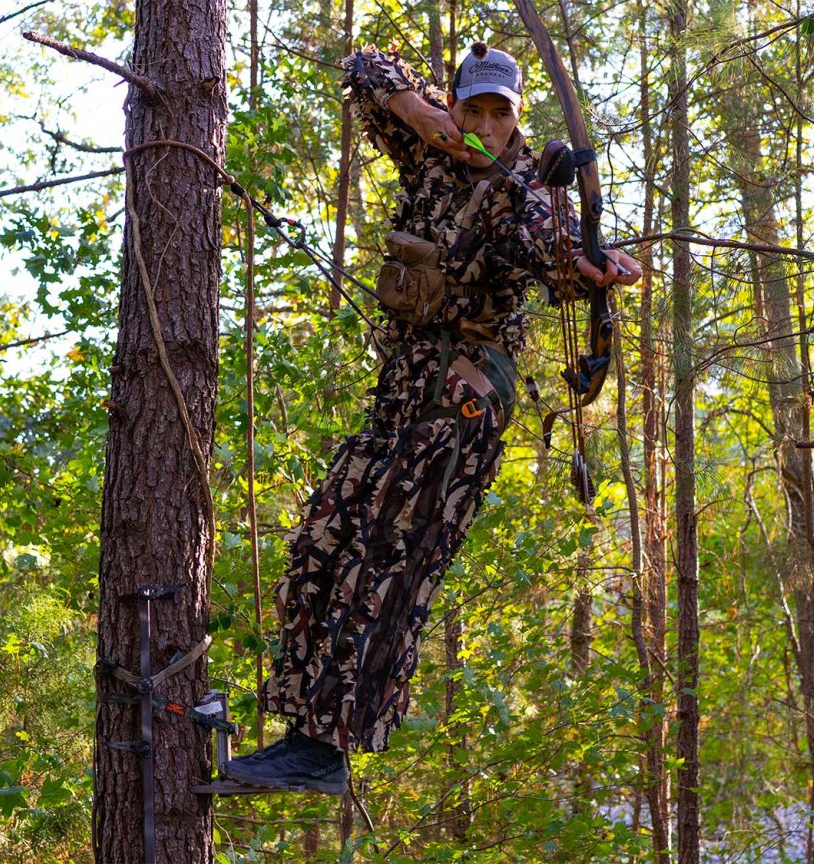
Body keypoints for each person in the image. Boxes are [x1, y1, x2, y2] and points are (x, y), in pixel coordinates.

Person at [222, 41, 642, 794]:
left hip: (461, 403)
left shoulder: (526, 199)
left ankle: (327, 749)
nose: (482, 124)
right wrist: (415, 111)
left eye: (498, 114)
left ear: (520, 126)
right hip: (401, 391)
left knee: (384, 569)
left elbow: (555, 259)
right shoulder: (433, 157)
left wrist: (591, 269)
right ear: (454, 106)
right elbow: (365, 64)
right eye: (470, 107)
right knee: (322, 541)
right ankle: (298, 730)